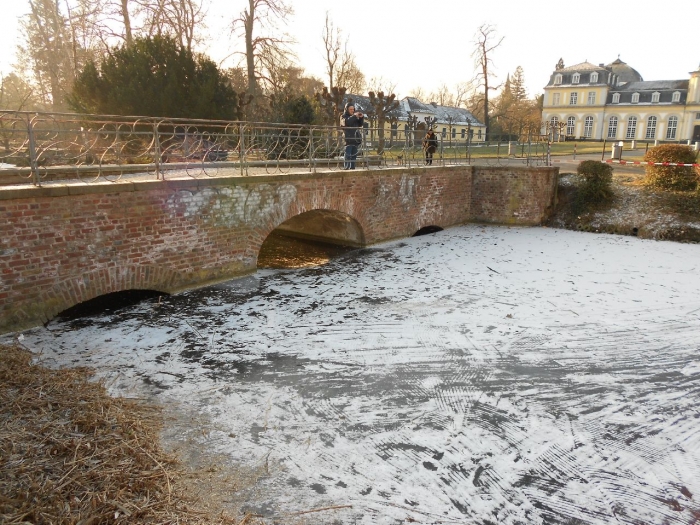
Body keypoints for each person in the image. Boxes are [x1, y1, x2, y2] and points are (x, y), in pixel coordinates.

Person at [340, 103, 364, 170]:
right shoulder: (343, 117)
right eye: (350, 109)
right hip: (348, 139)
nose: (352, 111)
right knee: (348, 154)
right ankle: (346, 167)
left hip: (355, 138)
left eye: (353, 109)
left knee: (354, 155)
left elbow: (360, 124)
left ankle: (352, 167)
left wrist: (361, 118)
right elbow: (347, 122)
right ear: (347, 109)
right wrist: (354, 116)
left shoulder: (354, 117)